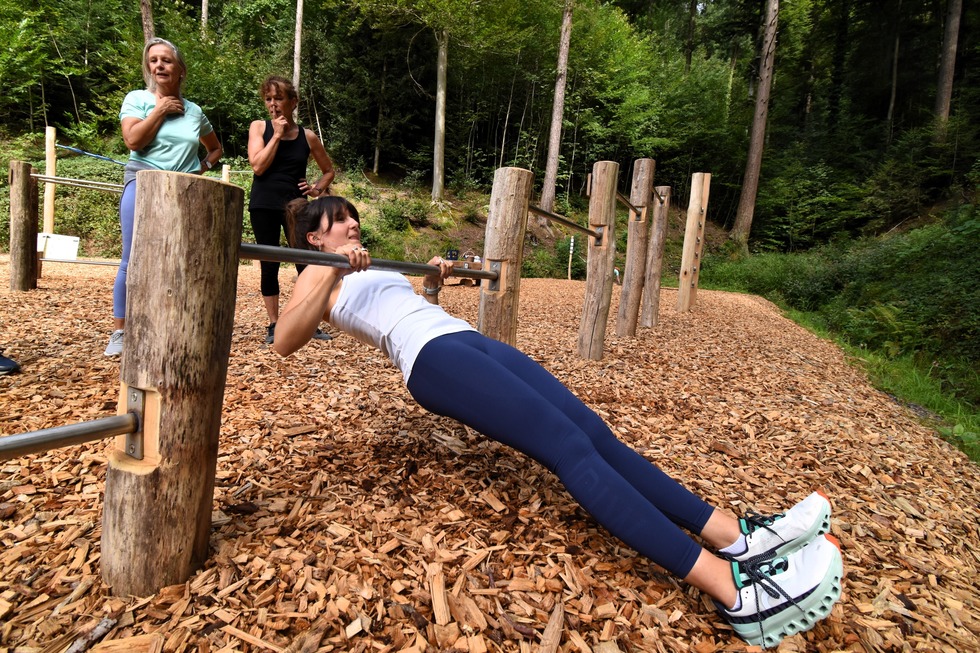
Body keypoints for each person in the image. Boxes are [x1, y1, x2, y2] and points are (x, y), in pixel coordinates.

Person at [273, 196, 845, 649]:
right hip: (431, 362)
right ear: (314, 238)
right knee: (568, 448)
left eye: (351, 216)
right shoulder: (314, 274)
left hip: (463, 340)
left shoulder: (362, 263)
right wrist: (328, 271)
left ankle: (736, 537)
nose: (351, 224)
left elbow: (394, 304)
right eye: (337, 221)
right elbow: (284, 342)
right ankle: (735, 595)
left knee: (594, 432)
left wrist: (431, 283)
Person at [106, 38, 223, 357]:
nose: (159, 65)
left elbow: (215, 148)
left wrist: (201, 169)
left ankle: (172, 325)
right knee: (132, 257)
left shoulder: (195, 111)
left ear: (180, 70)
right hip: (143, 180)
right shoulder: (138, 99)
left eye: (166, 60)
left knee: (182, 257)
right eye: (153, 60)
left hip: (184, 189)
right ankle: (120, 330)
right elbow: (132, 140)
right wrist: (159, 110)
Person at [247, 75, 336, 345]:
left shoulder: (308, 136)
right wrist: (276, 135)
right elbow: (258, 166)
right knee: (269, 263)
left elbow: (328, 170)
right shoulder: (259, 127)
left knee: (306, 263)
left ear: (293, 102)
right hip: (263, 203)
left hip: (297, 206)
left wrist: (317, 188)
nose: (273, 104)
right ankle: (274, 325)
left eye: (279, 98)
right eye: (269, 98)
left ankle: (309, 321)